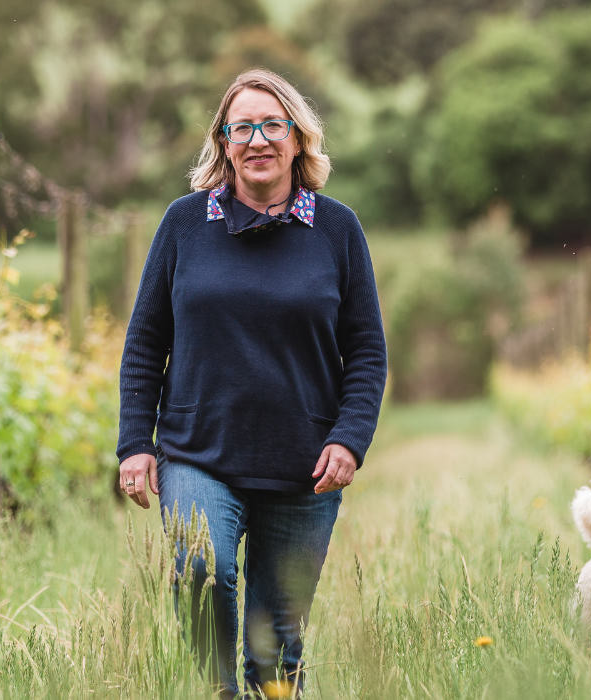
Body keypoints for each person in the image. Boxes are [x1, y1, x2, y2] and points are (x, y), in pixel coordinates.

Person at [116, 68, 387, 699]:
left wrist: (349, 439)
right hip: (195, 452)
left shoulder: (338, 229)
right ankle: (216, 692)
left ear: (298, 139)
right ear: (223, 141)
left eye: (272, 124)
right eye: (242, 126)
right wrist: (136, 443)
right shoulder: (184, 224)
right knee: (202, 569)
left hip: (304, 467)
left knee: (276, 648)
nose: (257, 138)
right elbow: (145, 343)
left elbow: (366, 351)